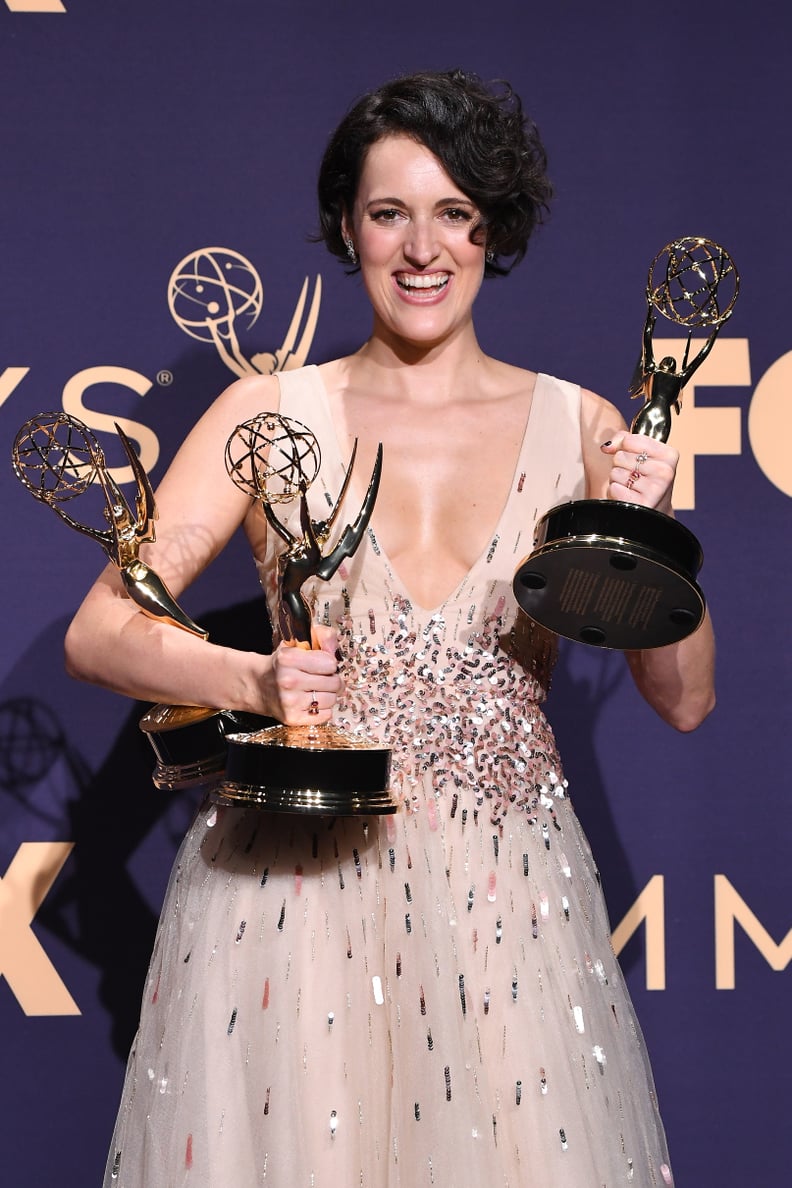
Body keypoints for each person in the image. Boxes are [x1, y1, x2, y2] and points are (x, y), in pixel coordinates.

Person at [65, 69, 715, 1187]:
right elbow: (100, 631)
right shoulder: (270, 415)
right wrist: (253, 681)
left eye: (455, 213)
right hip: (291, 897)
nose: (423, 248)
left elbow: (687, 696)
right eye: (389, 213)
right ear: (347, 229)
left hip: (507, 904)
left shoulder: (584, 426)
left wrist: (647, 527)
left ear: (493, 231)